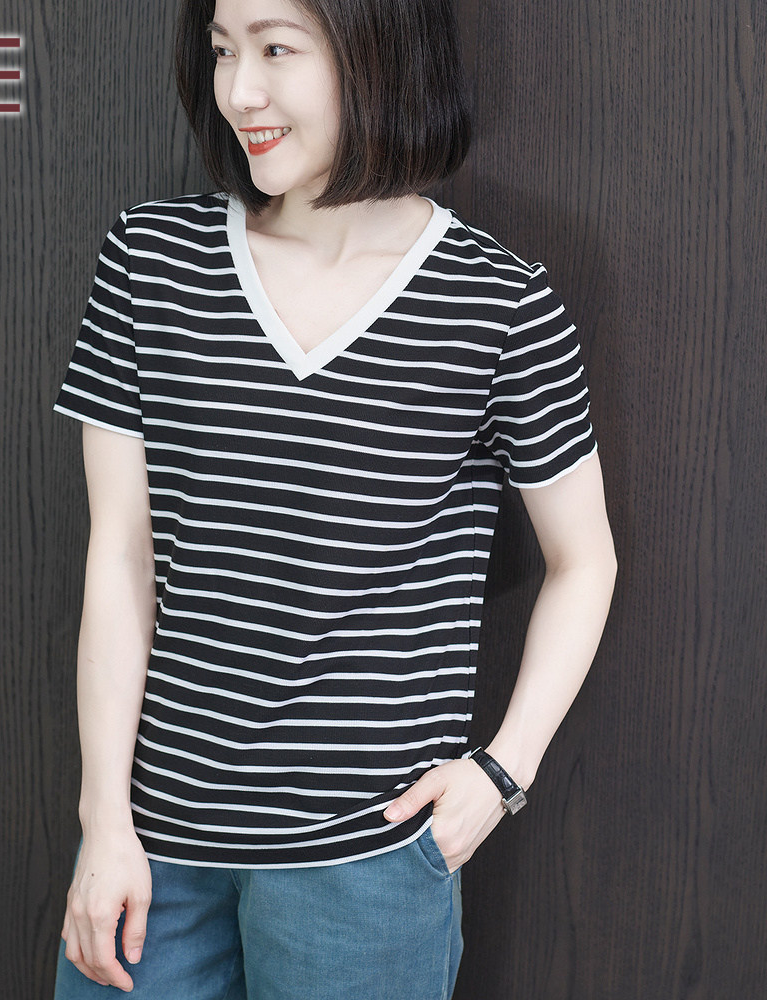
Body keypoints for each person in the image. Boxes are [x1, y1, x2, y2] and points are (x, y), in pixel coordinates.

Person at [52, 0, 618, 996]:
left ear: (378, 51)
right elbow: (121, 558)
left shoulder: (499, 303)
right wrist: (105, 822)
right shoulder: (150, 260)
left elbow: (585, 561)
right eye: (223, 52)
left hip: (369, 864)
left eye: (276, 49)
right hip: (152, 853)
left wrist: (501, 774)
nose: (240, 92)